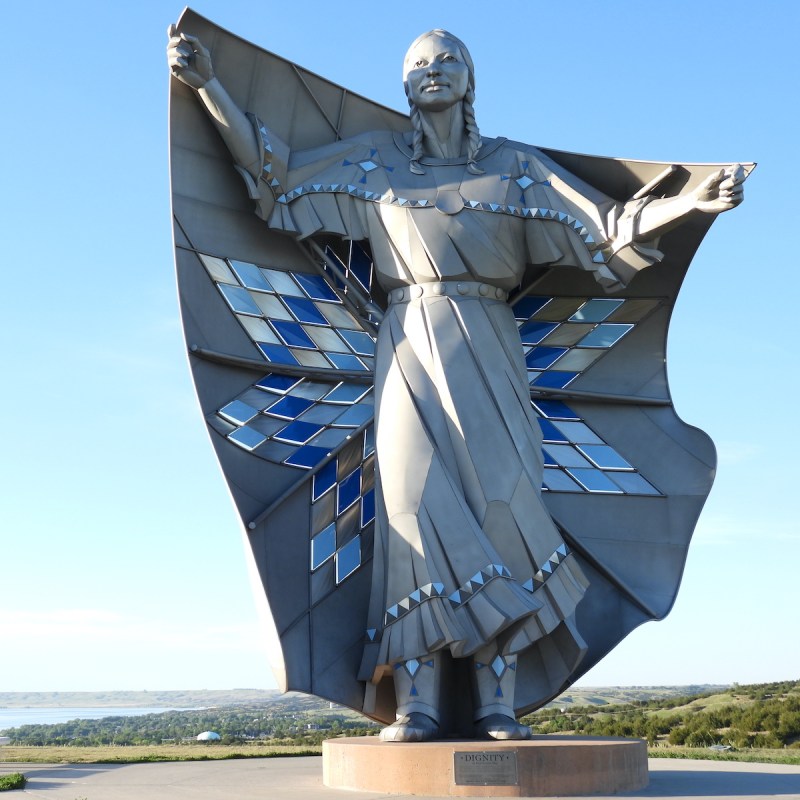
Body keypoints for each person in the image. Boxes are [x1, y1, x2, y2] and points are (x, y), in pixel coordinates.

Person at [168, 26, 744, 742]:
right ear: (404, 86)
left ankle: (498, 703)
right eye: (418, 65)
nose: (432, 72)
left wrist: (691, 203)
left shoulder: (516, 172)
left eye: (447, 62)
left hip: (493, 346)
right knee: (411, 510)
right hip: (407, 344)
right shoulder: (373, 167)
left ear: (469, 80)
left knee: (502, 508)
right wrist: (209, 88)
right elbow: (278, 185)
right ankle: (419, 704)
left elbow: (605, 230)